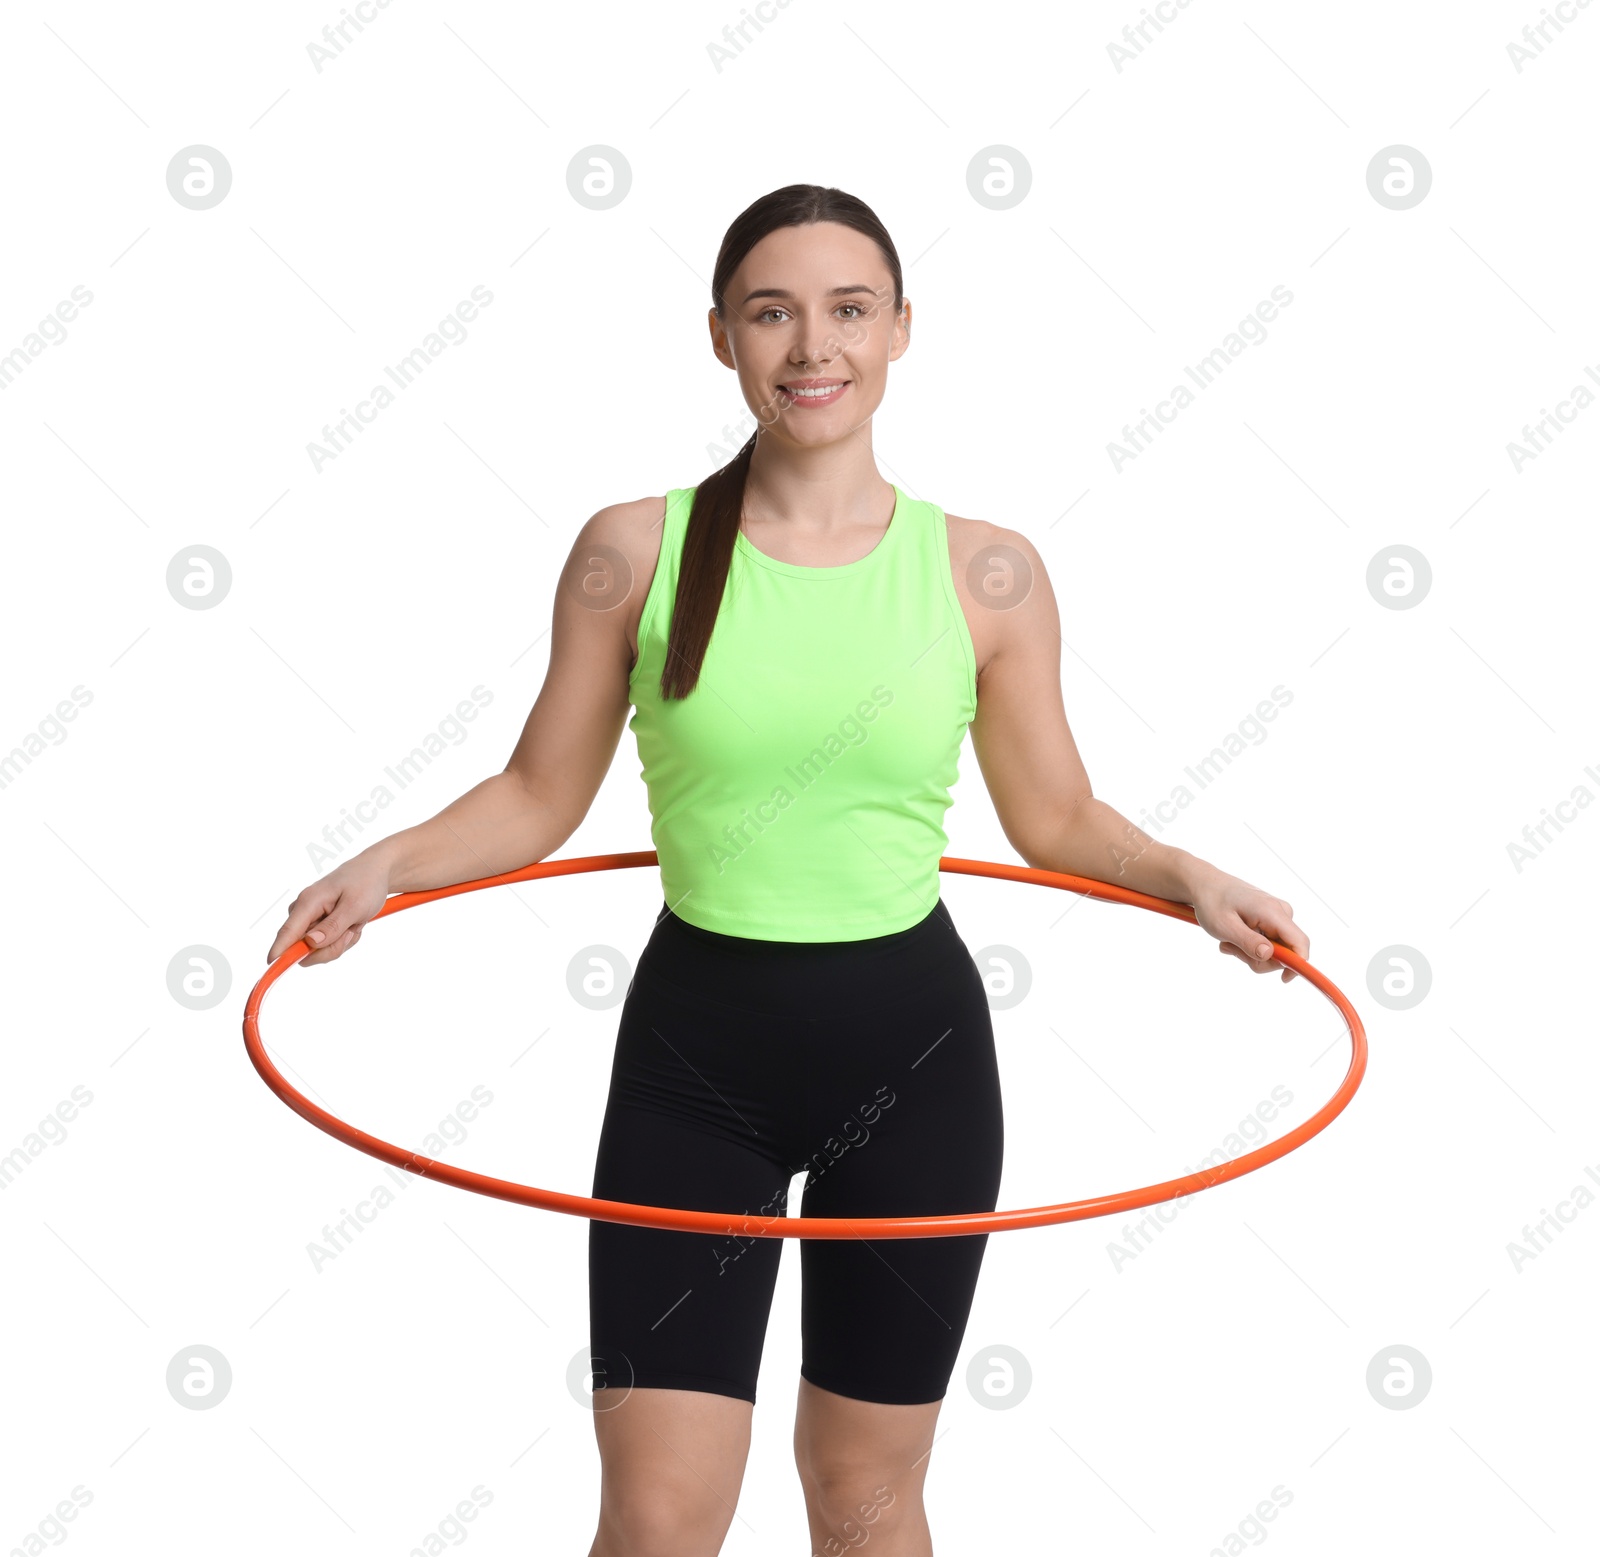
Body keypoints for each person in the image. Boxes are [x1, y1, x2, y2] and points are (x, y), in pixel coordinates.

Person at [268, 183, 1311, 1557]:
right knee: (655, 1517)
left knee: (861, 1499)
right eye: (772, 312)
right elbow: (536, 794)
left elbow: (1056, 819)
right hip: (698, 1068)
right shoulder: (631, 551)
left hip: (917, 1070)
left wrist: (1187, 876)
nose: (810, 345)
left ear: (899, 332)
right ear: (721, 337)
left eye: (847, 310)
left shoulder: (988, 573)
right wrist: (386, 866)